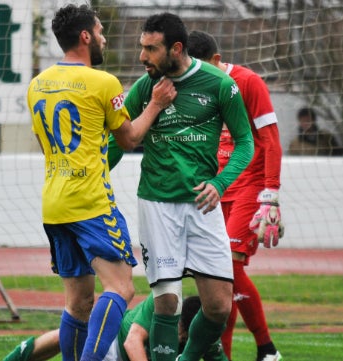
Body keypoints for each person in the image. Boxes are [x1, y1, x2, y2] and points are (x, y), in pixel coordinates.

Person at [26, 4, 176, 361]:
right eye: (100, 30)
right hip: (91, 202)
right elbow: (129, 138)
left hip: (54, 204)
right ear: (85, 36)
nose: (104, 37)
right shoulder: (103, 82)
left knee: (78, 305)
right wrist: (154, 104)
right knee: (121, 288)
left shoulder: (37, 85)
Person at [108, 13, 254, 361]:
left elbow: (246, 142)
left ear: (176, 48)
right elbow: (119, 142)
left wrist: (220, 183)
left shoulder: (219, 84)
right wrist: (94, 175)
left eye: (151, 49)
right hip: (158, 205)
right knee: (167, 303)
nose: (143, 56)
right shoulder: (146, 88)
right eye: (141, 47)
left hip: (203, 206)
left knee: (219, 306)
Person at [187, 31, 283, 361]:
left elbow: (270, 138)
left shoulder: (248, 82)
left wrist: (271, 194)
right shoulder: (196, 86)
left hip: (251, 186)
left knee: (228, 267)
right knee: (217, 277)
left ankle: (266, 348)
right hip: (218, 188)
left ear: (216, 61)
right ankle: (227, 356)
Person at [2, 295, 228, 361]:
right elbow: (132, 342)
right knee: (69, 337)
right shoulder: (163, 302)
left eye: (183, 335)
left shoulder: (205, 332)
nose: (178, 334)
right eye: (178, 327)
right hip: (115, 341)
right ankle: (15, 358)